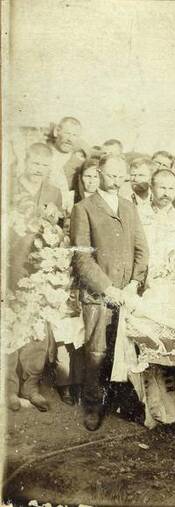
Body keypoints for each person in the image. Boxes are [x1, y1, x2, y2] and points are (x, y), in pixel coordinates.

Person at [70, 154, 149, 431]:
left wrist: (134, 284)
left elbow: (142, 250)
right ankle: (92, 407)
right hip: (99, 296)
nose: (115, 180)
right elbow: (81, 259)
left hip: (126, 294)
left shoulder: (129, 208)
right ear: (99, 173)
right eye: (110, 174)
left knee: (126, 351)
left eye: (120, 175)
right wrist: (107, 288)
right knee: (97, 353)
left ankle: (123, 403)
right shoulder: (84, 208)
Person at [6, 143, 63, 412]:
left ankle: (31, 385)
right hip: (10, 267)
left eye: (44, 165)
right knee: (8, 326)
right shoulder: (8, 187)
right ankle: (7, 386)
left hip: (39, 270)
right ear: (25, 161)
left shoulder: (54, 193)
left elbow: (57, 233)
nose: (38, 169)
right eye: (34, 163)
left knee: (37, 327)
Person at [143, 169, 175, 275]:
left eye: (171, 189)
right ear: (151, 188)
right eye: (162, 188)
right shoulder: (138, 214)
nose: (166, 193)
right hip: (144, 277)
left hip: (172, 277)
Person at [46, 116, 84, 207]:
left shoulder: (79, 164)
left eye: (75, 135)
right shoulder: (43, 155)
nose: (70, 139)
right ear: (56, 132)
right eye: (67, 133)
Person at [122, 157, 156, 222]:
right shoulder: (124, 200)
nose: (135, 179)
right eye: (133, 175)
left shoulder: (157, 199)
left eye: (141, 175)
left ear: (151, 178)